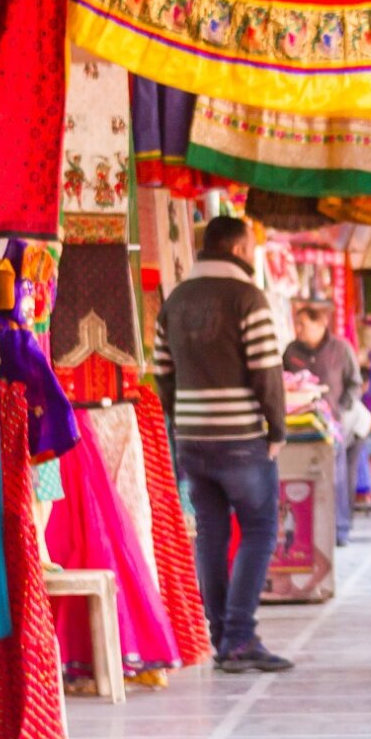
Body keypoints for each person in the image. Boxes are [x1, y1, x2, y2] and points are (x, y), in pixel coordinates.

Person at [154, 215, 293, 673]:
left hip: (193, 439)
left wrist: (183, 419)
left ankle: (221, 637)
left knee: (212, 532)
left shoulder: (175, 299)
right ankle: (239, 637)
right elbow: (267, 371)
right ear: (236, 249)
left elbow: (162, 372)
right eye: (250, 247)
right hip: (240, 438)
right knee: (259, 529)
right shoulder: (247, 297)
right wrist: (277, 429)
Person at [283, 300, 364, 544]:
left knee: (337, 476)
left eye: (303, 324)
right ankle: (307, 530)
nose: (298, 329)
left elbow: (354, 383)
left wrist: (340, 410)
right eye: (296, 324)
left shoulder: (341, 349)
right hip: (300, 424)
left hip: (335, 424)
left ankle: (339, 530)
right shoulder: (291, 351)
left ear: (320, 324)